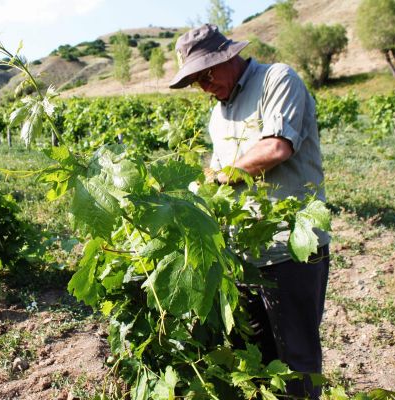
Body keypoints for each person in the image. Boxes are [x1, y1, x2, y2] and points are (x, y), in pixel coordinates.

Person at [169, 24, 330, 399]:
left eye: (206, 74)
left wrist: (222, 176)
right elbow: (216, 177)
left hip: (291, 248)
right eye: (196, 82)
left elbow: (276, 147)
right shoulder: (217, 116)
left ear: (229, 57)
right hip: (241, 255)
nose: (205, 87)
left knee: (297, 361)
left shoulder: (278, 79)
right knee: (253, 361)